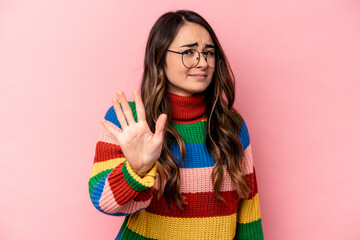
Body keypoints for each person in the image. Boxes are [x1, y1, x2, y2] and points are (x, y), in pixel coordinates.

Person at [88, 10, 264, 240]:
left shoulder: (231, 125)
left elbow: (249, 210)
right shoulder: (129, 119)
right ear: (160, 57)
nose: (202, 62)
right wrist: (137, 170)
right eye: (189, 52)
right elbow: (102, 200)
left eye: (209, 53)